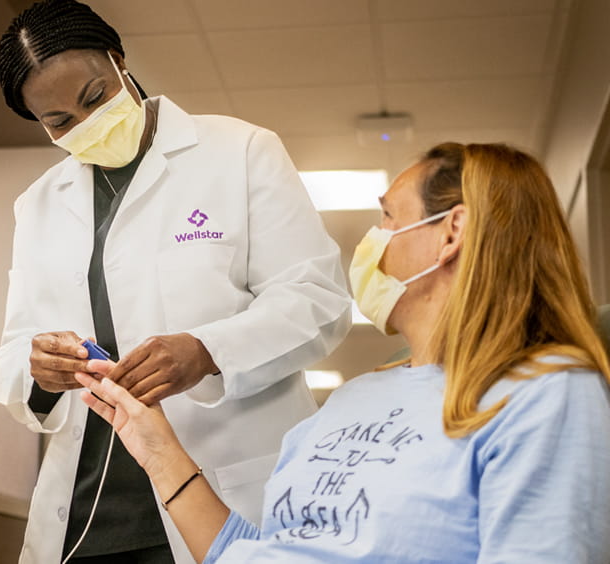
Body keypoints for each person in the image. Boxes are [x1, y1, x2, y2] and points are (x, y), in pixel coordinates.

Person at [77, 142, 610, 563]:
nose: (371, 241)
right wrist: (156, 449)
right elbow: (252, 554)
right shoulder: (356, 398)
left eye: (388, 219)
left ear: (453, 232)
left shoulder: (544, 390)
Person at [0, 1, 352, 562]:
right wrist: (38, 368)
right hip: (88, 517)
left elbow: (317, 300)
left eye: (95, 96)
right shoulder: (38, 205)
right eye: (59, 121)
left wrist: (207, 350)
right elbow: (15, 349)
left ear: (119, 61)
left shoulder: (240, 151)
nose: (85, 123)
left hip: (225, 495)